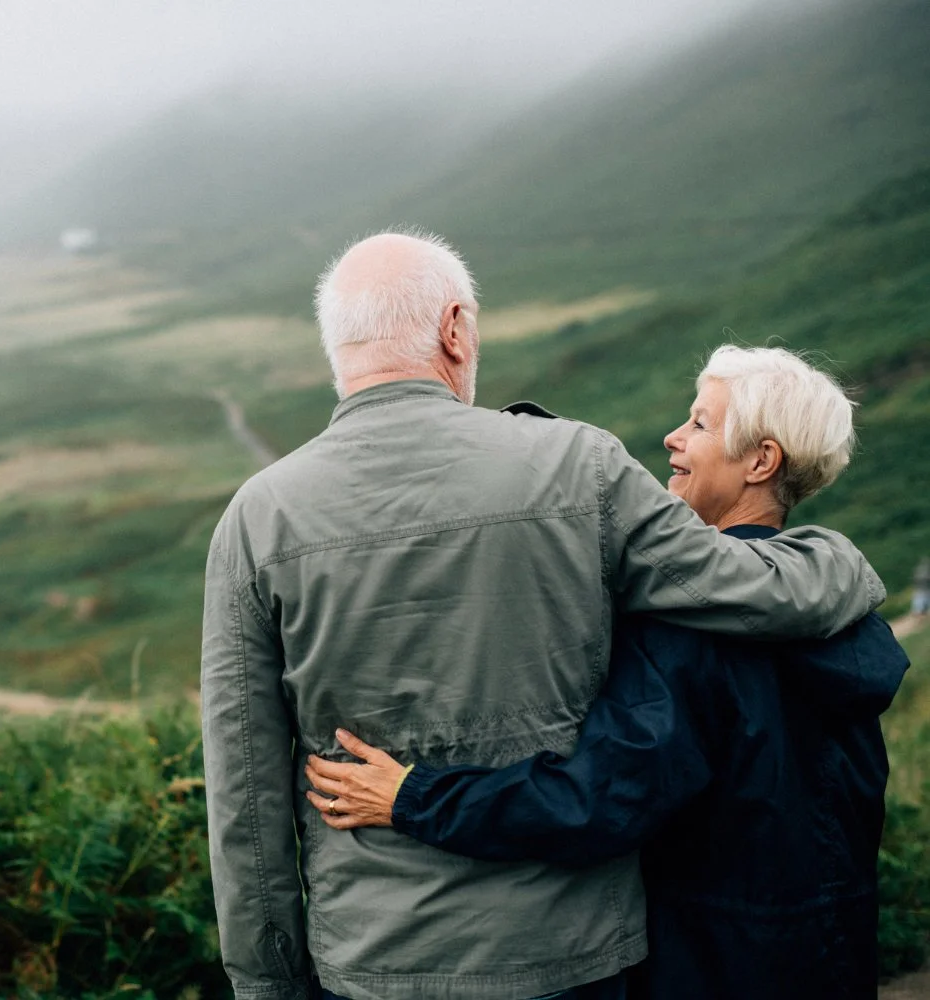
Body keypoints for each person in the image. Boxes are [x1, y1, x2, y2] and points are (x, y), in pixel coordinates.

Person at [200, 231, 886, 1000]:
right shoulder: (580, 466)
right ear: (455, 328)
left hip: (371, 960)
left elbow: (245, 800)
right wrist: (841, 560)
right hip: (577, 957)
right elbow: (752, 590)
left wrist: (267, 984)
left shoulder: (255, 520)